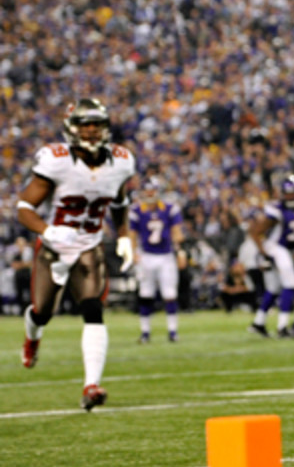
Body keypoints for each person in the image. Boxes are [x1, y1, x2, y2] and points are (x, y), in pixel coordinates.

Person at [17, 99, 137, 411]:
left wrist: (123, 235)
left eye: (97, 124)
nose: (92, 130)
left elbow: (120, 202)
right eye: (85, 124)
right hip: (55, 246)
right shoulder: (56, 160)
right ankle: (32, 338)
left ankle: (91, 385)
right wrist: (47, 230)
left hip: (89, 245)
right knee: (42, 311)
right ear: (72, 128)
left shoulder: (121, 161)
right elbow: (24, 208)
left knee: (93, 308)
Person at [249, 174, 294, 338]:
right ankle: (282, 327)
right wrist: (263, 254)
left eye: (292, 193)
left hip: (287, 249)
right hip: (276, 248)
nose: (290, 196)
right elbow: (255, 232)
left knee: (274, 288)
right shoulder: (277, 210)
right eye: (287, 193)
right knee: (291, 284)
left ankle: (258, 322)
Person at [130, 177, 185, 343]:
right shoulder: (137, 210)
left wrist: (180, 251)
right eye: (147, 190)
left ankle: (172, 331)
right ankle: (145, 333)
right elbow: (132, 235)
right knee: (145, 294)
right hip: (146, 256)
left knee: (170, 294)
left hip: (166, 256)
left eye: (152, 190)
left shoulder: (169, 208)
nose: (149, 193)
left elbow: (177, 232)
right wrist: (134, 253)